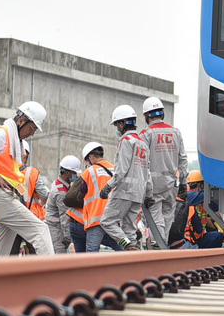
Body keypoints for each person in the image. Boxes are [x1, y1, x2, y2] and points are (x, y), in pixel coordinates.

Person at [0, 102, 55, 256]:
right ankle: (53, 277)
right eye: (32, 128)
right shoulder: (3, 134)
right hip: (2, 197)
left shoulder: (13, 140)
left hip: (2, 198)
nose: (32, 134)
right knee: (41, 231)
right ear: (21, 121)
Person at [99, 105, 151, 251]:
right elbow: (148, 172)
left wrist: (108, 186)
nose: (117, 128)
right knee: (129, 229)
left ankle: (127, 245)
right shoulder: (143, 144)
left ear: (122, 124)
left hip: (124, 191)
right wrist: (149, 193)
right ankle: (132, 256)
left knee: (107, 222)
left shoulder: (126, 141)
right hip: (138, 194)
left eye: (117, 124)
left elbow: (121, 169)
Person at [141, 96, 188, 247]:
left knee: (156, 219)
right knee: (167, 217)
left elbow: (143, 163)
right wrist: (183, 184)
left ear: (147, 116)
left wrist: (146, 190)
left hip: (154, 186)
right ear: (162, 113)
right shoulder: (176, 132)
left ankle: (158, 247)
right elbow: (183, 160)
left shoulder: (146, 134)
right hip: (171, 185)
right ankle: (162, 246)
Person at [66, 142, 119, 253]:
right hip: (112, 218)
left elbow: (79, 193)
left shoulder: (89, 172)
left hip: (95, 218)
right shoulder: (116, 170)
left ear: (90, 157)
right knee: (120, 247)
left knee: (91, 253)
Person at [45, 155, 80, 254]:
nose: (75, 175)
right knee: (59, 257)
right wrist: (68, 237)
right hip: (56, 230)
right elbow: (65, 216)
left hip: (56, 227)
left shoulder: (59, 184)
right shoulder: (61, 192)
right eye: (74, 173)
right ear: (67, 173)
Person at [20, 141, 50, 221]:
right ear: (27, 155)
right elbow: (44, 195)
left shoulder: (6, 170)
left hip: (11, 216)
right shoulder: (32, 173)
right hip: (30, 216)